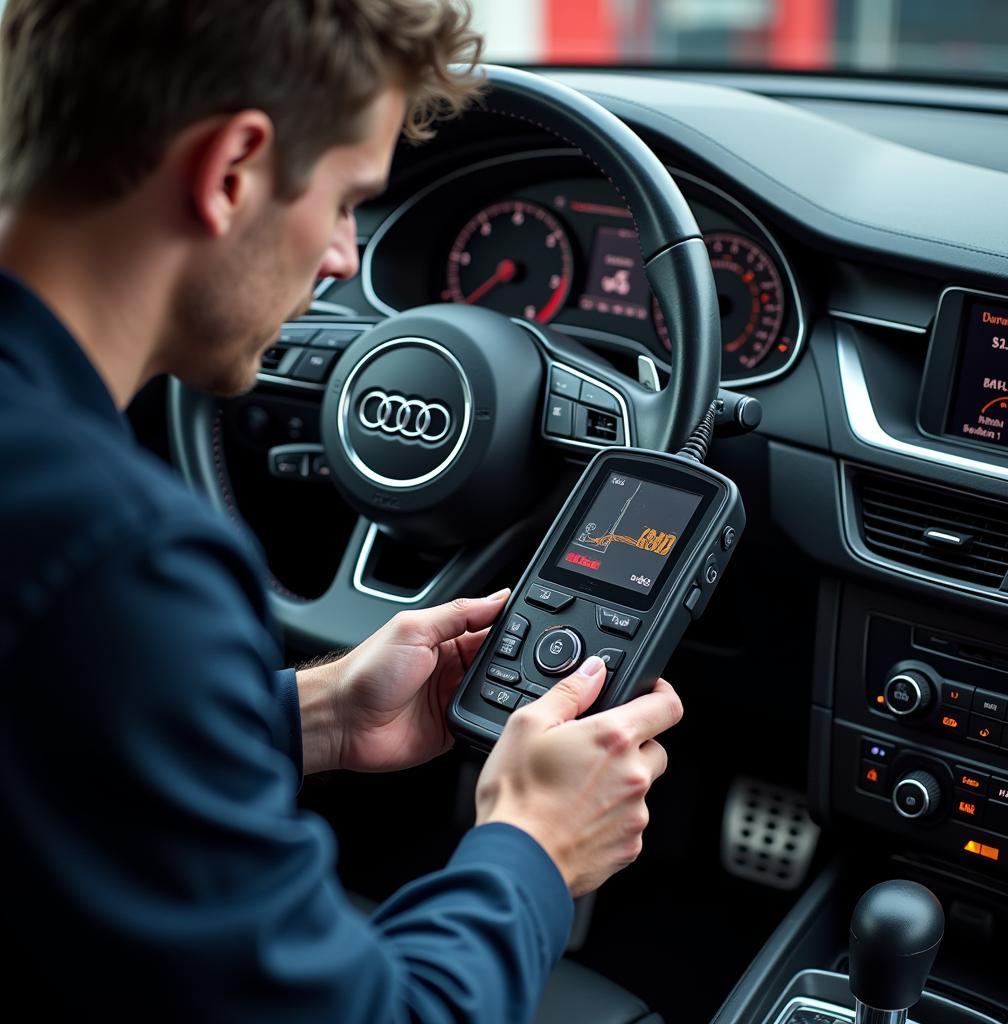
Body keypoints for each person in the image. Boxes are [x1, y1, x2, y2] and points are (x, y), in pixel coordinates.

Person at [0, 1, 684, 1019]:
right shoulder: (126, 560)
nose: (343, 261)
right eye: (343, 202)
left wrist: (310, 714)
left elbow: (56, 728)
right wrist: (533, 847)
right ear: (230, 170)